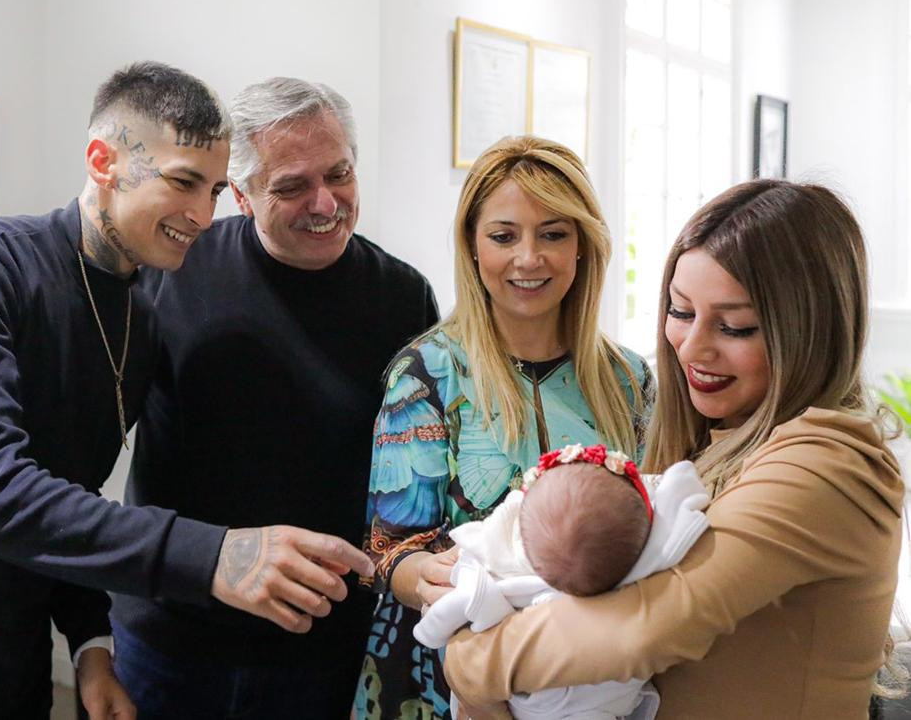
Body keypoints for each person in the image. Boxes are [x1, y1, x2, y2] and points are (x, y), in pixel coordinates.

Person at [0, 62, 375, 719]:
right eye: (183, 183)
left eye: (213, 191)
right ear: (104, 161)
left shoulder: (139, 310)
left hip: (11, 663)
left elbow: (63, 492)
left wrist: (89, 640)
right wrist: (214, 554)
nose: (203, 216)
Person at [442, 180, 905, 720]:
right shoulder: (718, 439)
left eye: (736, 326)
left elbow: (642, 626)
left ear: (811, 332)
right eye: (681, 312)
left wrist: (467, 660)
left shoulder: (828, 464)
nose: (693, 346)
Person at [108, 77, 439, 719]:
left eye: (339, 173)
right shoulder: (171, 272)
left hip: (325, 648)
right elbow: (88, 445)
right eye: (291, 186)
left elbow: (412, 475)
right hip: (173, 641)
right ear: (241, 194)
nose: (326, 202)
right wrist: (88, 633)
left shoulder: (404, 297)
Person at [354, 136, 653, 719]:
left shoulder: (630, 380)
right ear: (471, 245)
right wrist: (479, 591)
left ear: (583, 247)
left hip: (589, 676)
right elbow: (391, 553)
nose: (528, 258)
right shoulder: (426, 374)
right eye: (503, 235)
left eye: (553, 234)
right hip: (436, 685)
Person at [414, 444, 708, 720]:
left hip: (534, 698)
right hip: (605, 694)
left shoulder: (506, 575)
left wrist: (429, 630)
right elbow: (681, 491)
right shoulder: (647, 559)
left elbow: (465, 600)